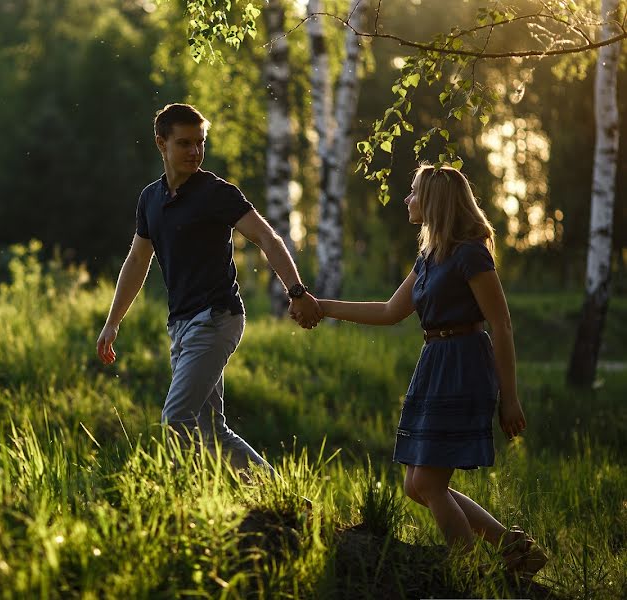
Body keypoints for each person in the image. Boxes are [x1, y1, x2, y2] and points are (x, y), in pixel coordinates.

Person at [304, 164, 547, 577]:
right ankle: (514, 547)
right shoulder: (429, 256)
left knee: (429, 484)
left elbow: (501, 323)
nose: (407, 199)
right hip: (435, 364)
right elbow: (388, 311)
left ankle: (468, 574)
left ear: (434, 200)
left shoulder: (470, 252)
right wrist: (321, 306)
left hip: (463, 365)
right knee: (416, 486)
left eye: (413, 191)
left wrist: (511, 398)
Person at [96, 103, 321, 476]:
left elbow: (266, 237)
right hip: (181, 325)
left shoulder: (216, 192)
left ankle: (184, 500)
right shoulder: (150, 199)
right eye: (184, 143)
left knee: (176, 416)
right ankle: (279, 496)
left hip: (217, 317)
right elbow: (137, 261)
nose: (194, 152)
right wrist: (112, 322)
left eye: (200, 143)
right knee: (211, 431)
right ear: (161, 144)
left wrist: (296, 291)